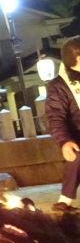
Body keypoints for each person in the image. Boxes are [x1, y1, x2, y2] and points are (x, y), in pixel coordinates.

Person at [45, 35, 80, 212]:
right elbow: (55, 117)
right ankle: (65, 200)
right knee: (77, 153)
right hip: (76, 135)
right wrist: (65, 141)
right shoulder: (59, 86)